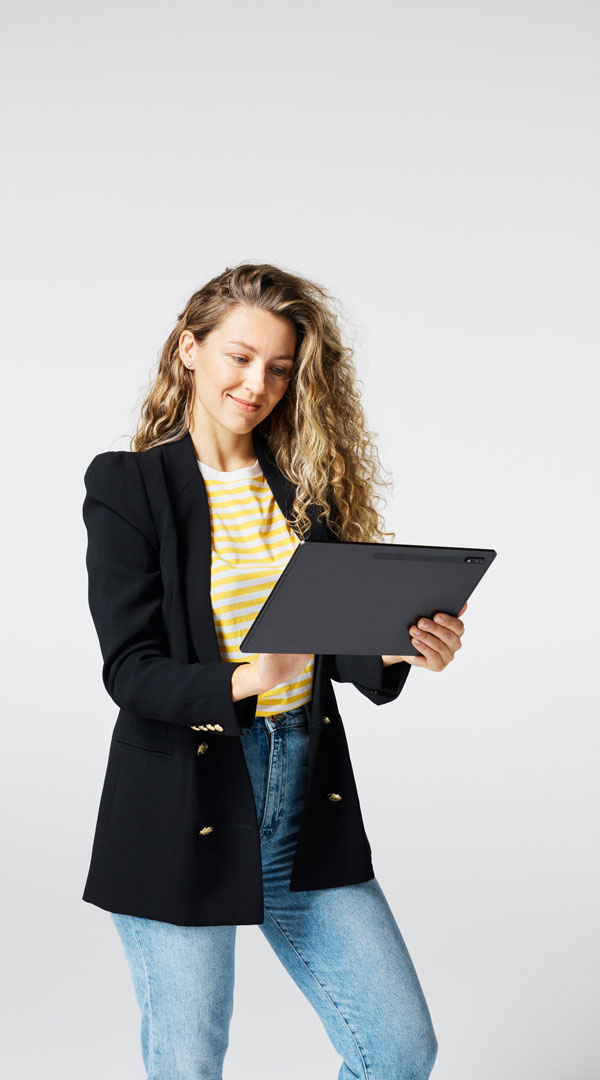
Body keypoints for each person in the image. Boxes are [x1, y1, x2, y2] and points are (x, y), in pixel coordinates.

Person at [81, 262, 466, 1079]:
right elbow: (131, 671)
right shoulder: (130, 488)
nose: (258, 384)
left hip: (303, 797)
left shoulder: (306, 486)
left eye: (280, 368)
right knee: (189, 1065)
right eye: (239, 357)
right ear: (190, 349)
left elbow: (336, 641)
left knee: (398, 1049)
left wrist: (400, 646)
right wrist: (248, 678)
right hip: (181, 807)